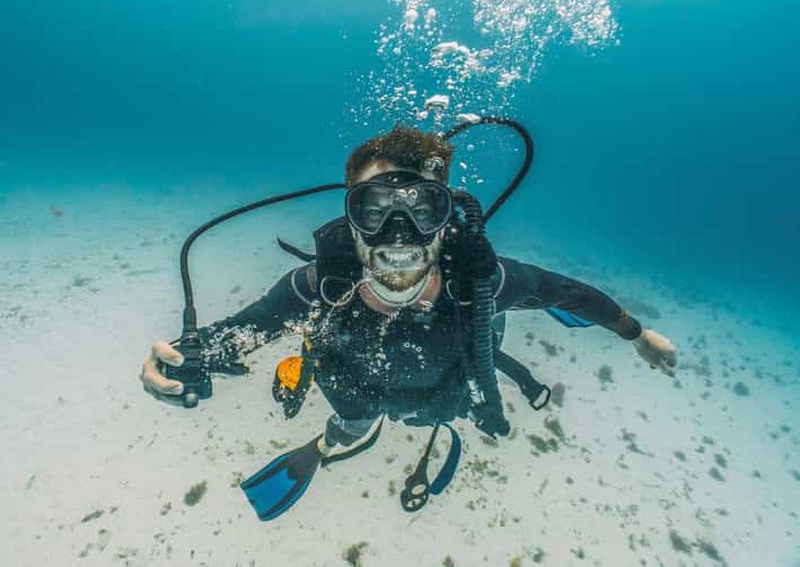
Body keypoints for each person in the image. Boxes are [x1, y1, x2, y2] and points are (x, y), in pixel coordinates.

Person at [140, 126, 677, 520]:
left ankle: (383, 432)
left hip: (447, 394)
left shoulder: (482, 284)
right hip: (355, 390)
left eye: (422, 208)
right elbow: (247, 328)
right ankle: (344, 435)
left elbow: (569, 293)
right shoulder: (317, 285)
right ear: (351, 218)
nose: (399, 232)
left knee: (439, 412)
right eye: (375, 210)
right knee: (351, 418)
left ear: (447, 217)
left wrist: (636, 334)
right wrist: (184, 356)